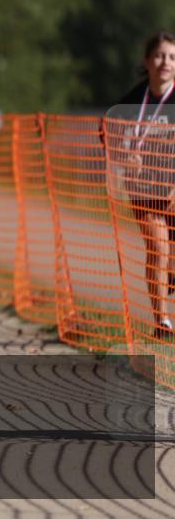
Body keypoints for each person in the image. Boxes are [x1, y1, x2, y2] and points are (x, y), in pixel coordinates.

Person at [114, 31, 175, 340]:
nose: (166, 62)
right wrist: (124, 154)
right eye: (161, 56)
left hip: (173, 188)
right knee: (158, 247)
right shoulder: (134, 99)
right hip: (143, 188)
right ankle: (162, 320)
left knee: (169, 255)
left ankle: (170, 277)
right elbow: (107, 130)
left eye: (172, 57)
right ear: (147, 61)